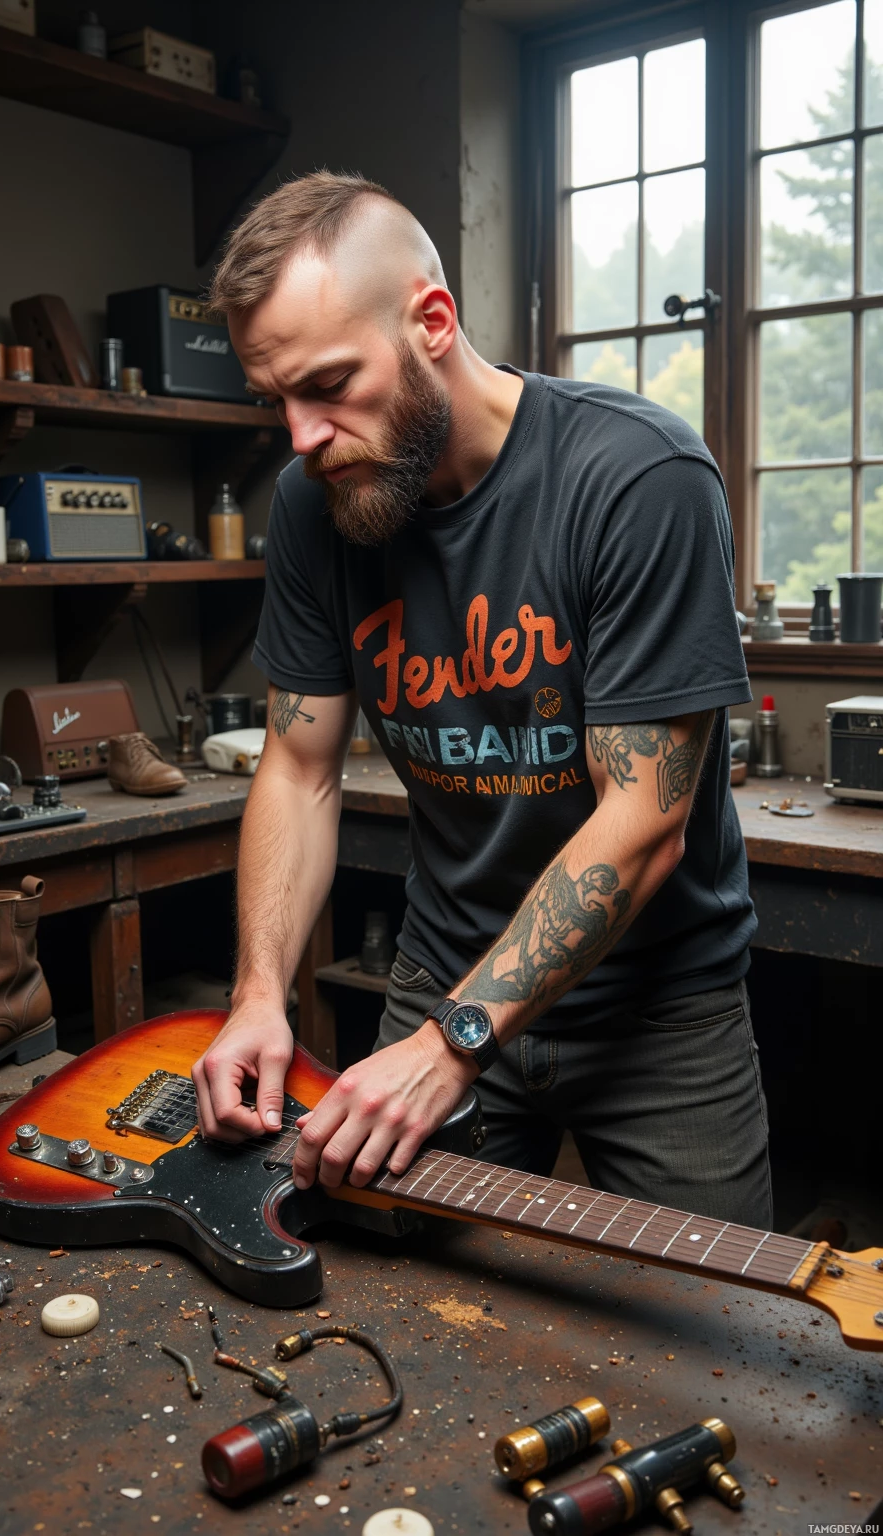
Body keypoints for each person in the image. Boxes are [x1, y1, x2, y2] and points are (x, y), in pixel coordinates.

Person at [192, 170, 770, 1227]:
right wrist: (257, 997)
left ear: (432, 322)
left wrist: (454, 1044)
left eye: (327, 383)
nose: (301, 435)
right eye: (274, 399)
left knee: (714, 1336)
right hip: (442, 968)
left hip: (656, 1008)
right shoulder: (313, 504)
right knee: (383, 1302)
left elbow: (644, 822)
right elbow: (299, 764)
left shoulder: (636, 476)